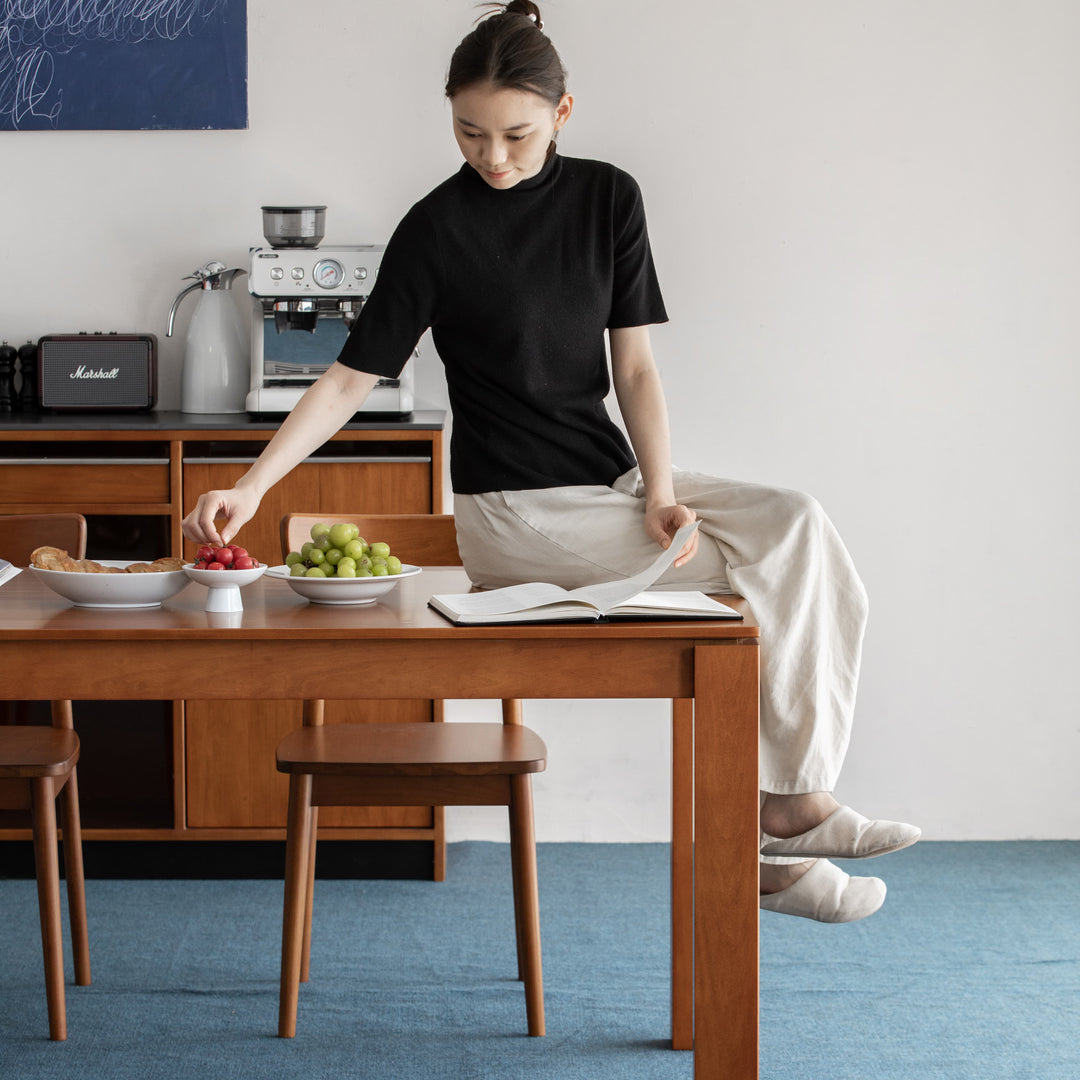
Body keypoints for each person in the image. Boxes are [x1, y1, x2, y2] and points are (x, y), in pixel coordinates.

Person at [183, 0, 920, 922]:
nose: (493, 157)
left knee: (797, 526)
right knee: (758, 581)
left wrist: (658, 491)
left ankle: (790, 807)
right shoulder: (435, 228)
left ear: (563, 115)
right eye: (469, 132)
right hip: (512, 513)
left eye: (517, 135)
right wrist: (249, 487)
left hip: (607, 486)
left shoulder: (610, 198)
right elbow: (344, 382)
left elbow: (636, 367)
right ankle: (768, 832)